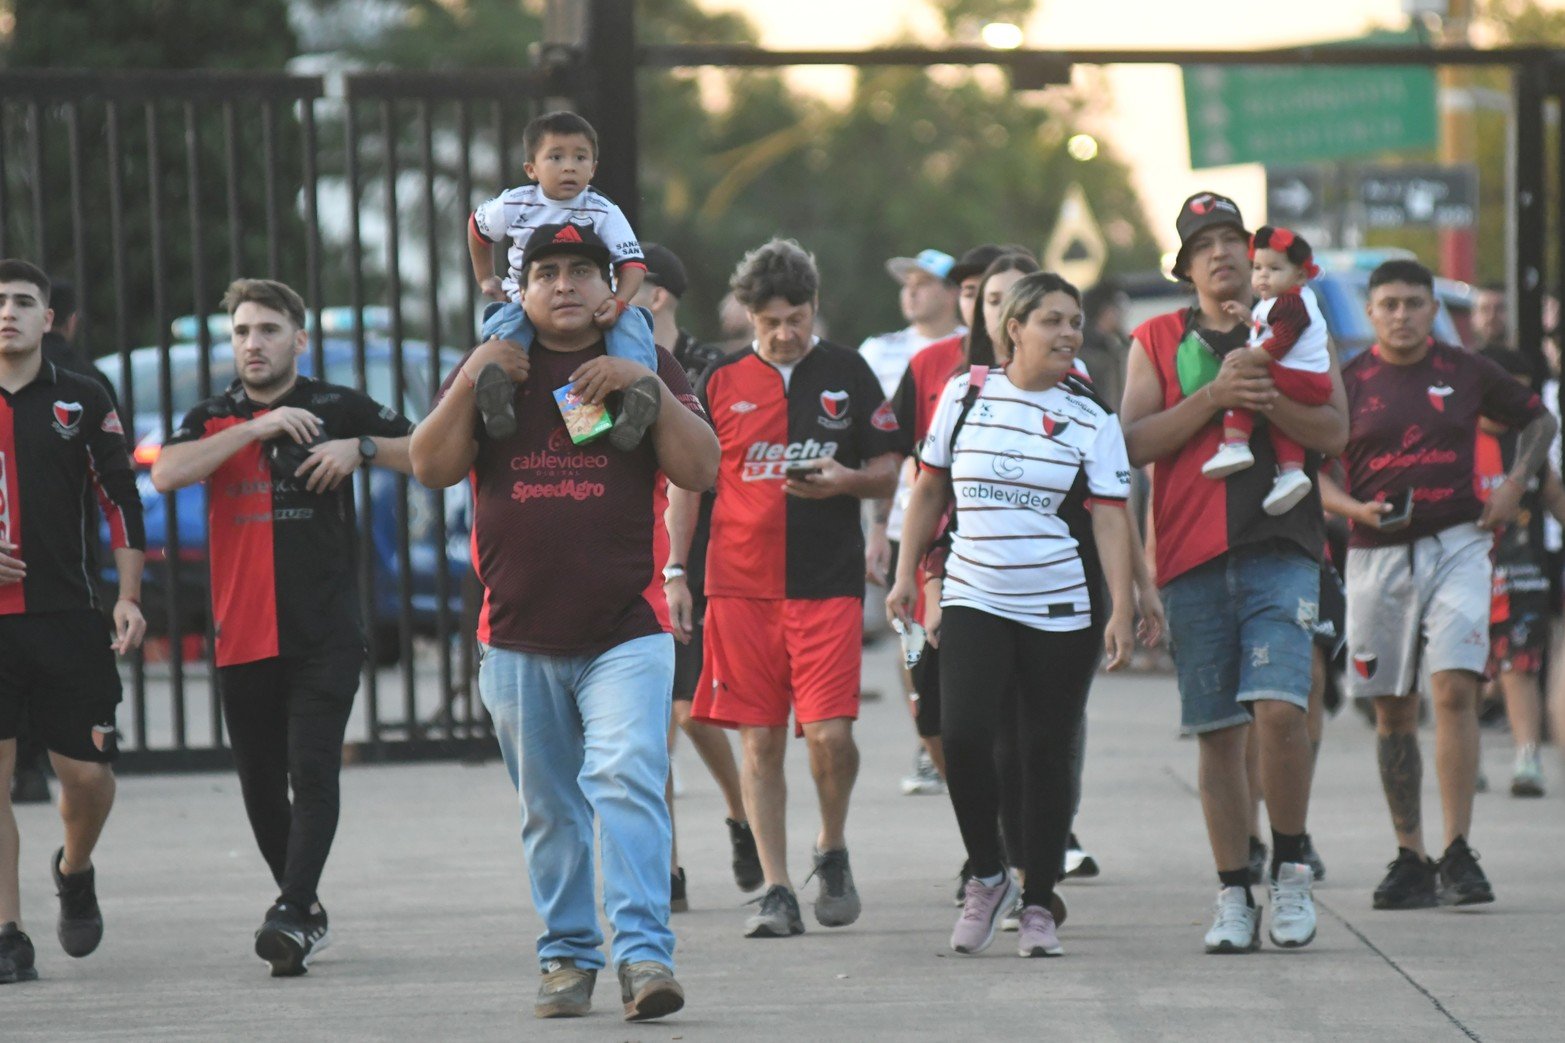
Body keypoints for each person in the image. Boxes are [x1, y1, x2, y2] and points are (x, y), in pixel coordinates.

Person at [410, 222, 717, 1022]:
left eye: (583, 269)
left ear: (610, 286)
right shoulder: (492, 366)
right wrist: (473, 373)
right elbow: (430, 464)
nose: (565, 284)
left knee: (625, 781)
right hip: (514, 635)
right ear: (521, 289)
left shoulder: (643, 359)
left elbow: (702, 467)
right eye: (546, 271)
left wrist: (636, 381)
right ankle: (566, 957)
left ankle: (644, 955)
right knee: (549, 809)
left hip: (626, 628)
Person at [151, 278, 417, 977]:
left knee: (313, 769)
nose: (253, 343)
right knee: (261, 785)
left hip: (324, 629)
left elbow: (426, 454)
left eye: (268, 329)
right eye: (241, 331)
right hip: (242, 632)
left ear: (299, 340)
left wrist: (357, 448)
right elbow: (168, 475)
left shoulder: (336, 405)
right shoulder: (212, 415)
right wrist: (255, 427)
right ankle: (303, 908)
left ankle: (293, 911)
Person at [1121, 192, 1348, 954]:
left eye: (1232, 240)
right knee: (1217, 734)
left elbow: (1335, 429)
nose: (1221, 253)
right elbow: (1130, 442)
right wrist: (1215, 398)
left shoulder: (1299, 321)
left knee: (1281, 711)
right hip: (1189, 555)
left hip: (1282, 548)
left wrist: (1268, 396)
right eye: (1204, 244)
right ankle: (1231, 890)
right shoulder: (1153, 337)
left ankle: (1288, 865)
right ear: (1184, 267)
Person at [889, 270, 1139, 958]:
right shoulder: (966, 394)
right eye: (1051, 320)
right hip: (973, 593)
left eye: (1074, 321)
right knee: (963, 735)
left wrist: (1122, 605)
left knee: (1042, 751)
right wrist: (907, 575)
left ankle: (1037, 903)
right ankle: (987, 872)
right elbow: (928, 487)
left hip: (1060, 605)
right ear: (1013, 330)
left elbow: (1113, 518)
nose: (1066, 333)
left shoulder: (1091, 414)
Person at [1327, 258, 1554, 910]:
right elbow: (1311, 467)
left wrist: (1514, 483)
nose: (1401, 315)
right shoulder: (1347, 382)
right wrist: (1351, 511)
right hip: (1374, 552)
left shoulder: (1465, 369)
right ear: (1370, 312)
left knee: (1453, 687)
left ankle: (1458, 849)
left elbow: (1539, 421)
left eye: (1413, 303)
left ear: (1434, 310)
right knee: (1392, 706)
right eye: (1389, 304)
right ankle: (1410, 853)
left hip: (1457, 543)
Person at [691, 238, 901, 939]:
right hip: (739, 586)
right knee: (760, 743)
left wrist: (847, 481)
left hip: (826, 583)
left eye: (798, 316)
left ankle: (830, 846)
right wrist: (671, 572)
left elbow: (889, 466)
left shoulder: (848, 371)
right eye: (771, 319)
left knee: (831, 738)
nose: (785, 332)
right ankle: (777, 888)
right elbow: (686, 480)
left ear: (815, 309)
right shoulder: (718, 382)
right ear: (746, 315)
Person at [0, 259, 146, 985]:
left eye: (23, 301)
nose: (8, 313)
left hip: (68, 617)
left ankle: (75, 866)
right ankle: (8, 932)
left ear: (47, 319)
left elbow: (121, 496)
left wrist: (127, 594)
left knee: (85, 776)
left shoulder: (83, 398)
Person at [631, 244, 763, 911]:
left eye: (619, 281)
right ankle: (668, 869)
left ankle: (741, 811)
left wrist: (681, 564)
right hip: (630, 554)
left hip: (706, 556)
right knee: (653, 722)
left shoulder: (716, 367)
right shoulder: (599, 363)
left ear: (655, 295)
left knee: (690, 710)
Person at [880, 244, 1015, 797]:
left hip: (1017, 562)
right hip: (930, 550)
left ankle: (1040, 835)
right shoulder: (929, 367)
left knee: (1019, 712)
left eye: (996, 293)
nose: (981, 303)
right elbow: (909, 470)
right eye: (971, 291)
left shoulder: (1061, 372)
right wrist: (898, 561)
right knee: (936, 714)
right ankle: (982, 825)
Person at [466, 110, 659, 450]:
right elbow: (478, 229)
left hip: (593, 309)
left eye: (579, 157)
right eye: (556, 157)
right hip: (526, 304)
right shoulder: (514, 203)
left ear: (593, 168)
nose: (568, 166)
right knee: (505, 333)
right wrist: (486, 279)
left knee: (629, 326)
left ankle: (636, 397)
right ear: (532, 169)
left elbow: (632, 265)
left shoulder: (603, 211)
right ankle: (499, 398)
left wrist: (617, 303)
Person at [1471, 348, 1561, 797]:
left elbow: (1554, 497)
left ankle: (1528, 759)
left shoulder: (1529, 446)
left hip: (1522, 572)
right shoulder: (1457, 439)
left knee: (1518, 666)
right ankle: (1469, 757)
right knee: (1465, 670)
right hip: (1465, 571)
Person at [1202, 227, 1333, 518]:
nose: (1262, 276)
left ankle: (1236, 444)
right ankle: (1291, 472)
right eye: (1258, 267)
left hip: (1300, 376)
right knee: (1282, 423)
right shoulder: (1278, 301)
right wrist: (1248, 316)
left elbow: (1282, 339)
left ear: (1299, 276)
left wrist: (1251, 357)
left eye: (1274, 268)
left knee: (1242, 382)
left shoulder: (1291, 302)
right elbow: (1268, 327)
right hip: (1306, 379)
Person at [858, 248, 963, 400]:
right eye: (907, 283)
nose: (911, 291)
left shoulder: (975, 346)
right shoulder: (878, 347)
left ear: (953, 292)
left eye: (923, 283)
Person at [1077, 278, 1130, 415]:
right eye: (1118, 308)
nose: (1122, 314)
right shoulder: (1088, 353)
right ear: (1106, 311)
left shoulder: (1113, 346)